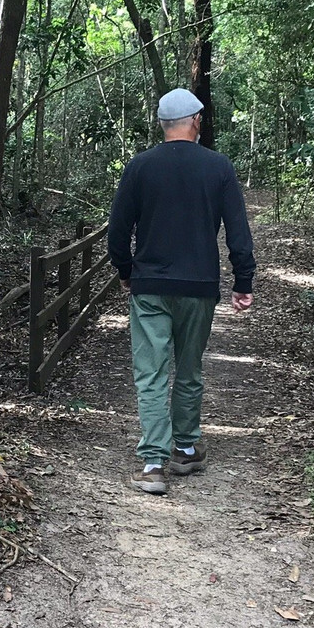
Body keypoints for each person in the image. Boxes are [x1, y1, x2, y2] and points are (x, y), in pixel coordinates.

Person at [107, 88, 255, 495]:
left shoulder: (140, 167)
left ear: (163, 124)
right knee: (189, 368)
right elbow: (238, 234)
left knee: (150, 373)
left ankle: (153, 463)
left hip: (150, 286)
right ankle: (185, 449)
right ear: (195, 122)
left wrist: (125, 271)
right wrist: (244, 282)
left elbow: (117, 231)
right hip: (199, 287)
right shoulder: (218, 167)